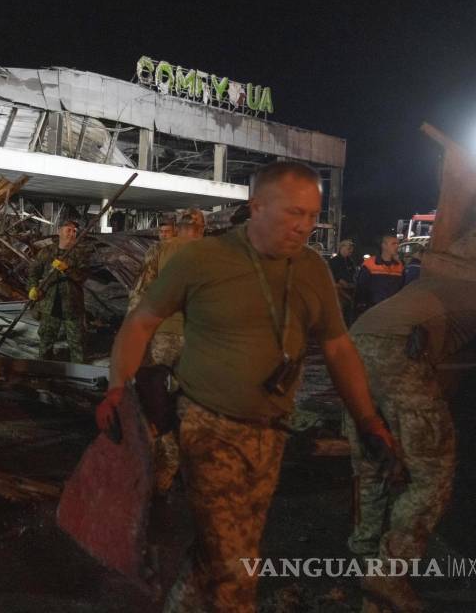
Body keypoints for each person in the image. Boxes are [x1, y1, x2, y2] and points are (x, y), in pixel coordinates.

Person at [96, 161, 404, 613]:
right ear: (256, 207)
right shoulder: (201, 259)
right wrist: (118, 389)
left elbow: (338, 349)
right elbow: (141, 322)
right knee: (235, 570)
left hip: (271, 431)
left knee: (221, 554)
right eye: (292, 213)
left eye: (313, 215)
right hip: (208, 427)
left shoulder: (314, 270)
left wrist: (369, 420)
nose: (304, 226)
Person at [344, 273, 476, 612]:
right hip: (400, 352)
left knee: (374, 459)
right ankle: (389, 573)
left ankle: (364, 552)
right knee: (433, 476)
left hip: (353, 343)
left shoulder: (440, 281)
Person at [129, 207, 206, 494]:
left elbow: (140, 294)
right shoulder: (217, 255)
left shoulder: (160, 250)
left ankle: (164, 459)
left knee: (154, 396)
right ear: (203, 229)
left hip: (165, 336)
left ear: (180, 226)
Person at [27, 219, 90, 363]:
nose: (72, 233)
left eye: (74, 231)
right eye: (69, 229)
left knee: (77, 342)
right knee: (46, 340)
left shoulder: (80, 253)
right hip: (50, 303)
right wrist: (32, 287)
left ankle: (80, 374)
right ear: (59, 231)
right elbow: (33, 272)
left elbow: (83, 277)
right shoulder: (47, 252)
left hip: (72, 305)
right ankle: (44, 371)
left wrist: (67, 269)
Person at [355, 235, 403, 314]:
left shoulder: (399, 265)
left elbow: (401, 287)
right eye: (393, 244)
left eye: (398, 244)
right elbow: (361, 287)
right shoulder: (370, 263)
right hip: (373, 309)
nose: (397, 246)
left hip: (392, 309)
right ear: (384, 246)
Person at [329, 239, 358, 325]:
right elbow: (331, 273)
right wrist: (339, 281)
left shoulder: (350, 262)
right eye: (349, 248)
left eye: (351, 248)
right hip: (337, 290)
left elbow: (353, 273)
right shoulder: (334, 261)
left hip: (348, 289)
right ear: (342, 248)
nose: (351, 251)